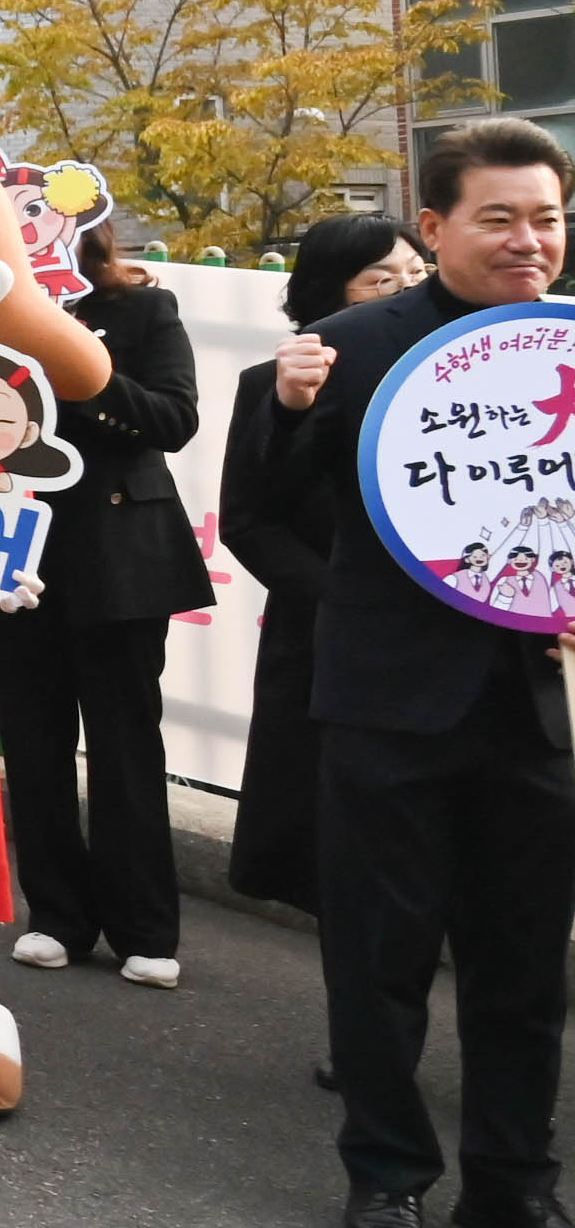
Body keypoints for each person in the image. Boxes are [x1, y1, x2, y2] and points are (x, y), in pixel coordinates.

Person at [260, 119, 575, 1228]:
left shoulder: (570, 347)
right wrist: (289, 408)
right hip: (389, 697)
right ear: (434, 226)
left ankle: (511, 1180)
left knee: (526, 962)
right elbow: (268, 500)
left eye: (546, 216)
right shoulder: (349, 343)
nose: (528, 239)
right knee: (381, 957)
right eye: (500, 216)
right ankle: (387, 1173)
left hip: (535, 704)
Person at [0, 221, 215, 986]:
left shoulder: (145, 309)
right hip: (10, 553)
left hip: (121, 557)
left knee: (124, 744)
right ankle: (56, 915)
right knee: (32, 741)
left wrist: (78, 373)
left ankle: (145, 928)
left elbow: (174, 418)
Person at [223, 216, 423, 923]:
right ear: (327, 292)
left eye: (417, 275)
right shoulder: (271, 386)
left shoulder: (459, 383)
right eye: (382, 280)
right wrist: (343, 596)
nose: (405, 291)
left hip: (443, 642)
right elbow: (248, 520)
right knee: (329, 845)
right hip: (325, 634)